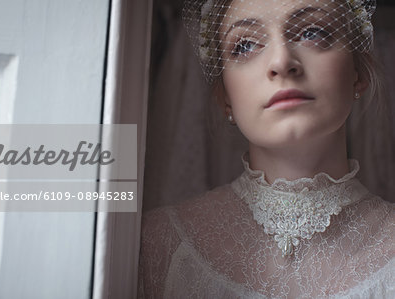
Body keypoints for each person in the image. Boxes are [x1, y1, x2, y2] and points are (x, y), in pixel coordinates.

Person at [138, 0, 394, 298]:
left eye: (313, 32)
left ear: (358, 73)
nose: (281, 62)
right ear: (224, 97)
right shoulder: (161, 244)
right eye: (245, 45)